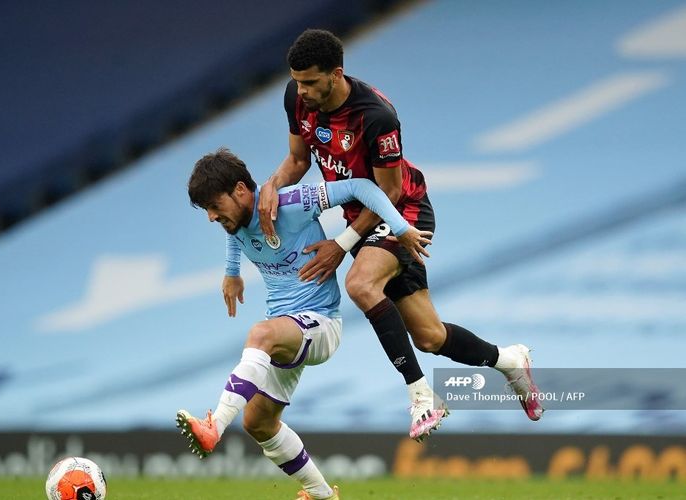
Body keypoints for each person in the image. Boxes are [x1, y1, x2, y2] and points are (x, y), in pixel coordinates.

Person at [255, 29, 544, 441]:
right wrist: (272, 185)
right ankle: (509, 360)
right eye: (297, 81)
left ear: (336, 75)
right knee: (429, 336)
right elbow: (299, 158)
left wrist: (341, 244)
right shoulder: (297, 98)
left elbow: (388, 192)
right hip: (361, 213)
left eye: (310, 82)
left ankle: (421, 394)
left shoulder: (375, 116)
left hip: (401, 210)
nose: (301, 91)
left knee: (360, 283)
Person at [179, 148, 432, 500]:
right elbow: (234, 232)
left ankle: (215, 427)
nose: (210, 216)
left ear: (240, 191)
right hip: (286, 330)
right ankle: (324, 495)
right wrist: (232, 272)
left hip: (320, 323)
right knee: (258, 423)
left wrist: (401, 228)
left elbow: (363, 187)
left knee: (259, 334)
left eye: (213, 205)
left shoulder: (292, 202)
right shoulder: (234, 220)